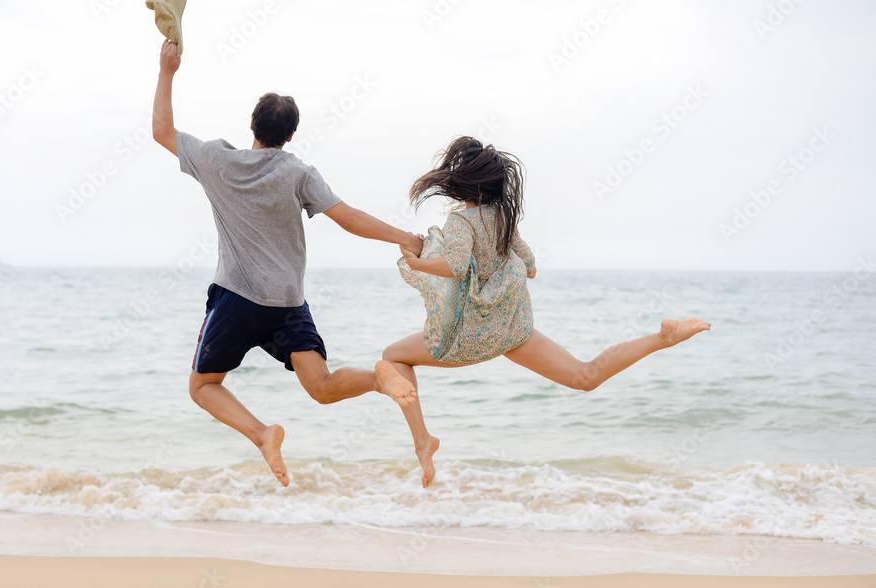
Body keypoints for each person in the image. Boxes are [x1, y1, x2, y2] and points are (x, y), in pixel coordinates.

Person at [151, 40, 420, 486]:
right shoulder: (298, 173)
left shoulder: (217, 159)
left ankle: (262, 434)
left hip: (236, 299)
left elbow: (162, 130)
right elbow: (348, 218)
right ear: (291, 135)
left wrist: (167, 70)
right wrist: (405, 238)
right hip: (287, 303)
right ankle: (378, 378)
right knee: (322, 386)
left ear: (251, 124)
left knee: (202, 387)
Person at [384, 136, 711, 487]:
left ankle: (423, 441)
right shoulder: (503, 220)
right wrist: (499, 266)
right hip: (513, 330)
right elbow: (531, 267)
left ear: (461, 181)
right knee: (585, 376)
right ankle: (662, 338)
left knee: (392, 358)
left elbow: (457, 266)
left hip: (468, 339)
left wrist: (418, 263)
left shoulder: (460, 223)